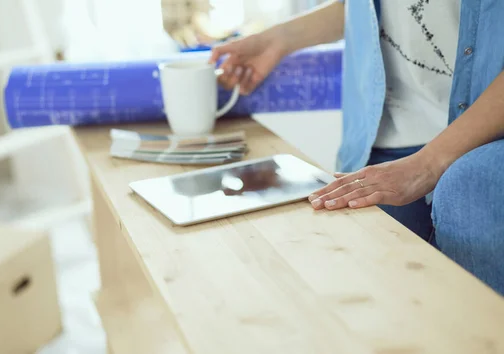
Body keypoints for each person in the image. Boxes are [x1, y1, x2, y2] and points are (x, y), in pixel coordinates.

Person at [209, 0, 504, 295]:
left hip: (484, 135)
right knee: (348, 267)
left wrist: (427, 166)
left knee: (469, 193)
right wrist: (277, 39)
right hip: (390, 135)